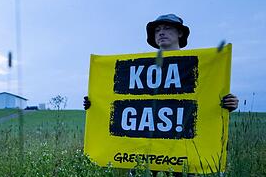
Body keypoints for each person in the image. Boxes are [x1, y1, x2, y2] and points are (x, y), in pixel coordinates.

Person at [83, 14, 239, 111]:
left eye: (167, 28)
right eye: (157, 31)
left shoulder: (198, 65)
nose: (161, 32)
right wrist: (95, 104)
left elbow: (206, 95)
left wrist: (228, 104)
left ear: (179, 33)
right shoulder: (139, 67)